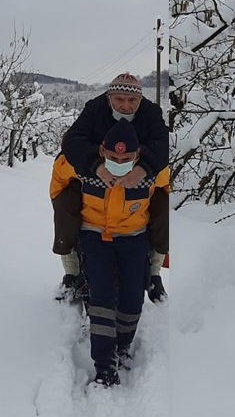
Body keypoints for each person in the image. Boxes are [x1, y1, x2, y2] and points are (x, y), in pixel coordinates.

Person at [51, 120, 171, 387]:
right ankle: (105, 366)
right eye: (113, 156)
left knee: (131, 297)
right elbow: (59, 178)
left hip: (134, 237)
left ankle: (123, 346)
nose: (119, 161)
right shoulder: (83, 166)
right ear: (102, 151)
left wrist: (157, 258)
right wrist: (64, 209)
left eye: (126, 157)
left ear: (137, 155)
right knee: (101, 298)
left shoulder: (152, 172)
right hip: (94, 236)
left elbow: (165, 195)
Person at [54, 73, 171, 304]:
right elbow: (71, 141)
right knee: (65, 204)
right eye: (119, 99)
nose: (125, 106)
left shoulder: (151, 113)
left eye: (132, 101)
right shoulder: (94, 109)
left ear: (140, 100)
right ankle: (72, 270)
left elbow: (166, 143)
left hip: (138, 172)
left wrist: (143, 167)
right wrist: (95, 166)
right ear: (109, 98)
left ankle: (155, 272)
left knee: (164, 207)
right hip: (95, 171)